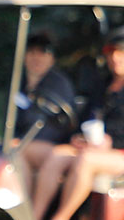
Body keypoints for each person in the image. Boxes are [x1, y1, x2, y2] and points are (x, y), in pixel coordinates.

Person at [32, 27, 124, 220]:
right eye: (111, 53)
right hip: (97, 149)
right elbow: (84, 119)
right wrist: (77, 137)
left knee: (85, 160)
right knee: (57, 155)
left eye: (120, 53)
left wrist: (112, 143)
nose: (115, 58)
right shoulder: (103, 87)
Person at [14, 29, 77, 180]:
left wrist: (20, 141)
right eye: (32, 52)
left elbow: (53, 127)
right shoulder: (18, 85)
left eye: (42, 52)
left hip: (56, 146)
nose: (36, 57)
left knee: (17, 151)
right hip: (26, 144)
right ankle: (23, 202)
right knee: (14, 158)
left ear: (52, 58)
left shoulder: (58, 85)